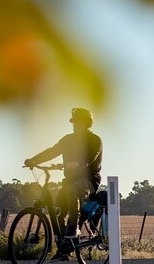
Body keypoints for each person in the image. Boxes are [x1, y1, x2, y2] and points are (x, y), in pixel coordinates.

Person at [24, 108, 103, 256]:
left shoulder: (95, 140)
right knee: (59, 211)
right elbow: (52, 151)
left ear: (86, 124)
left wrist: (77, 164)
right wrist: (34, 160)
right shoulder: (68, 139)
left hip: (89, 180)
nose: (74, 125)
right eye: (73, 122)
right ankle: (65, 247)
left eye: (78, 122)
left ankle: (73, 227)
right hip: (70, 181)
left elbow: (91, 157)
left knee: (71, 191)